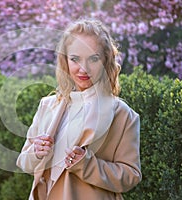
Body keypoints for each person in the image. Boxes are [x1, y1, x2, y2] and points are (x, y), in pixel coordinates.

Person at [16, 18, 142, 200]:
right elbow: (23, 162)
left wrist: (86, 164)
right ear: (65, 60)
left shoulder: (122, 114)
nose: (83, 69)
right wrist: (36, 153)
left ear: (106, 60)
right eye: (75, 59)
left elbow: (131, 176)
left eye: (93, 58)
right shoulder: (47, 105)